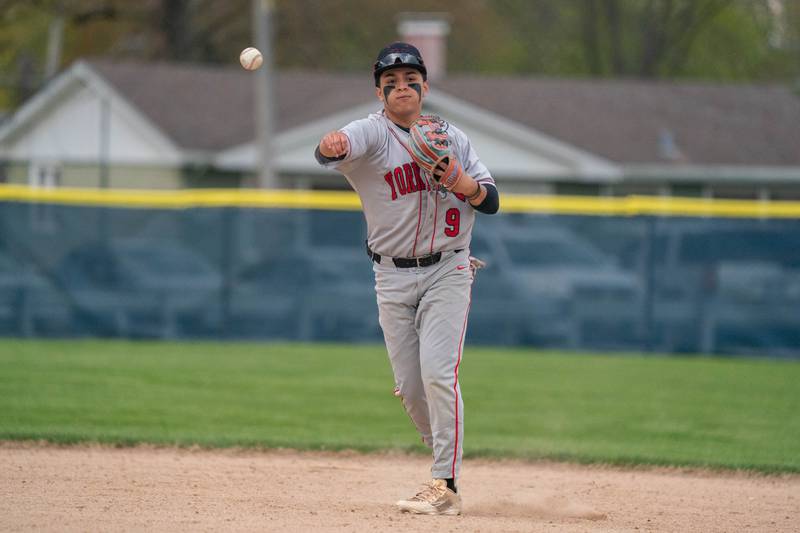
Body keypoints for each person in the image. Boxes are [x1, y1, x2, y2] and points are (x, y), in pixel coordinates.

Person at [315, 42, 500, 516]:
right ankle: (443, 448)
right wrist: (329, 144)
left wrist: (465, 185)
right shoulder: (372, 134)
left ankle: (446, 484)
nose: (402, 87)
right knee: (413, 389)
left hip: (449, 268)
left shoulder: (451, 138)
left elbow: (491, 199)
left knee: (439, 374)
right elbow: (332, 148)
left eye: (410, 79)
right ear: (379, 93)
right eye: (391, 82)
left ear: (425, 86)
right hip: (391, 275)